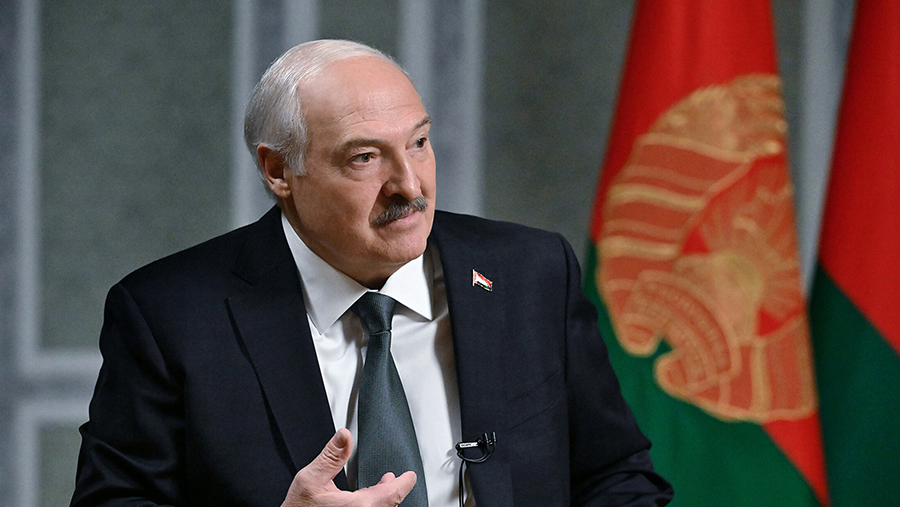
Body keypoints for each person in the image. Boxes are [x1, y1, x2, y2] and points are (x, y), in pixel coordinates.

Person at [71, 39, 673, 507]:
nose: (409, 185)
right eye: (364, 158)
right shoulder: (169, 316)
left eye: (419, 143)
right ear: (279, 172)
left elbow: (616, 477)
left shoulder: (530, 274)